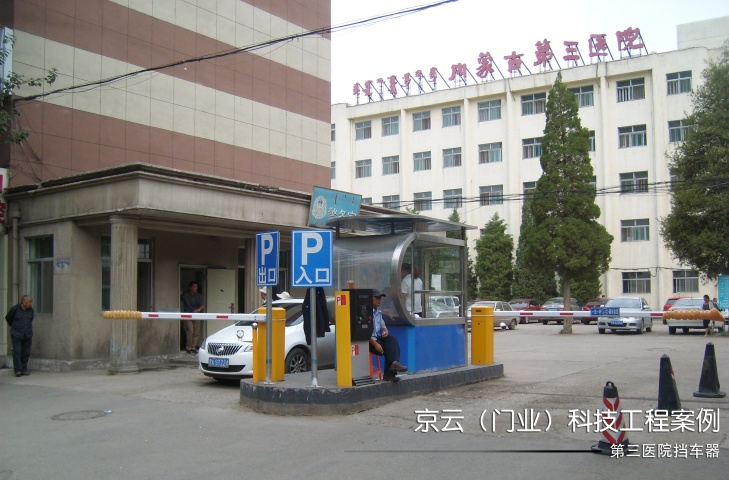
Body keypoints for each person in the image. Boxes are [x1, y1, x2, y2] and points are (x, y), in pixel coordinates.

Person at [369, 289, 408, 382]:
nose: (379, 300)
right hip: (369, 341)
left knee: (392, 339)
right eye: (377, 298)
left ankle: (394, 364)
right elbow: (364, 333)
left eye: (380, 298)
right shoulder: (367, 313)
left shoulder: (378, 314)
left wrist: (385, 331)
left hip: (378, 338)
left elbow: (384, 327)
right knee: (388, 347)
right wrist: (375, 344)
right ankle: (390, 371)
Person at [5, 295, 34, 377]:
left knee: (26, 352)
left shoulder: (31, 310)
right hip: (16, 334)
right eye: (29, 302)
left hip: (27, 334)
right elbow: (8, 318)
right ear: (23, 302)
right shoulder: (15, 309)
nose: (30, 304)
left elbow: (31, 319)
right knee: (17, 352)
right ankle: (18, 370)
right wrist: (15, 326)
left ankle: (24, 369)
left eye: (31, 302)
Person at [181, 281, 205, 354]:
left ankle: (193, 347)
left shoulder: (198, 296)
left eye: (196, 287)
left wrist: (198, 310)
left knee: (196, 332)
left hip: (196, 314)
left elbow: (202, 305)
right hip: (188, 314)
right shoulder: (185, 295)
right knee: (190, 331)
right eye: (194, 287)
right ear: (190, 287)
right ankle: (188, 347)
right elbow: (178, 296)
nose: (196, 288)